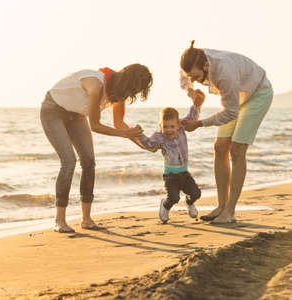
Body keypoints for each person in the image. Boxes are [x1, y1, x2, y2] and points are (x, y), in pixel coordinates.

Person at [40, 64, 153, 233]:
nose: (132, 95)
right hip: (53, 110)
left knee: (89, 161)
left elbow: (119, 124)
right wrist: (125, 134)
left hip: (76, 115)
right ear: (128, 83)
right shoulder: (96, 85)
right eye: (134, 90)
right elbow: (95, 126)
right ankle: (59, 220)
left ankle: (86, 219)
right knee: (69, 161)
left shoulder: (119, 93)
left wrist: (145, 145)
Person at [179, 41, 273, 223]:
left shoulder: (224, 72)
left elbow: (230, 112)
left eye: (197, 76)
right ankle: (221, 206)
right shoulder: (191, 61)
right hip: (237, 95)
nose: (196, 80)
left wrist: (199, 123)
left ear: (205, 65)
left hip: (258, 93)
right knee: (220, 147)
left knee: (237, 150)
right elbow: (184, 79)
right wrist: (191, 91)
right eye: (191, 76)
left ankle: (230, 211)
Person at [138, 90, 204, 223]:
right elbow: (149, 145)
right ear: (160, 126)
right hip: (171, 176)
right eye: (165, 127)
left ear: (178, 125)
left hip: (184, 173)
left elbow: (192, 118)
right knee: (174, 198)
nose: (169, 130)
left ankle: (190, 203)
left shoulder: (181, 129)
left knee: (196, 193)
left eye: (172, 126)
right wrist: (138, 134)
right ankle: (165, 205)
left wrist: (196, 105)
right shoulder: (159, 137)